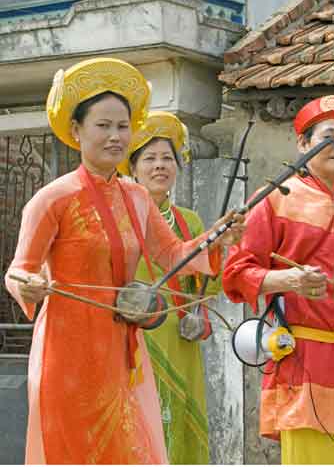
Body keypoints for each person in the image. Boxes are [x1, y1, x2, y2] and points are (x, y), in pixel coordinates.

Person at [5, 57, 245, 465]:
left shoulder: (136, 196)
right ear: (77, 131)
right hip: (67, 350)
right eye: (104, 126)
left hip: (122, 349)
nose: (116, 136)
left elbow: (171, 254)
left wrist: (217, 236)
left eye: (122, 126)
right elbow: (18, 270)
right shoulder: (51, 199)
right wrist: (27, 284)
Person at [223, 95, 334, 465]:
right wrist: (288, 279)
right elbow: (236, 274)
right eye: (329, 136)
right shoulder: (276, 198)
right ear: (303, 143)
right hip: (308, 360)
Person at [118, 111, 222, 464]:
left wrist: (200, 315)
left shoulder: (188, 221)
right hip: (132, 339)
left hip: (179, 338)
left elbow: (205, 284)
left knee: (177, 422)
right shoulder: (119, 217)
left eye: (167, 158)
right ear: (132, 168)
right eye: (149, 158)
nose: (159, 166)